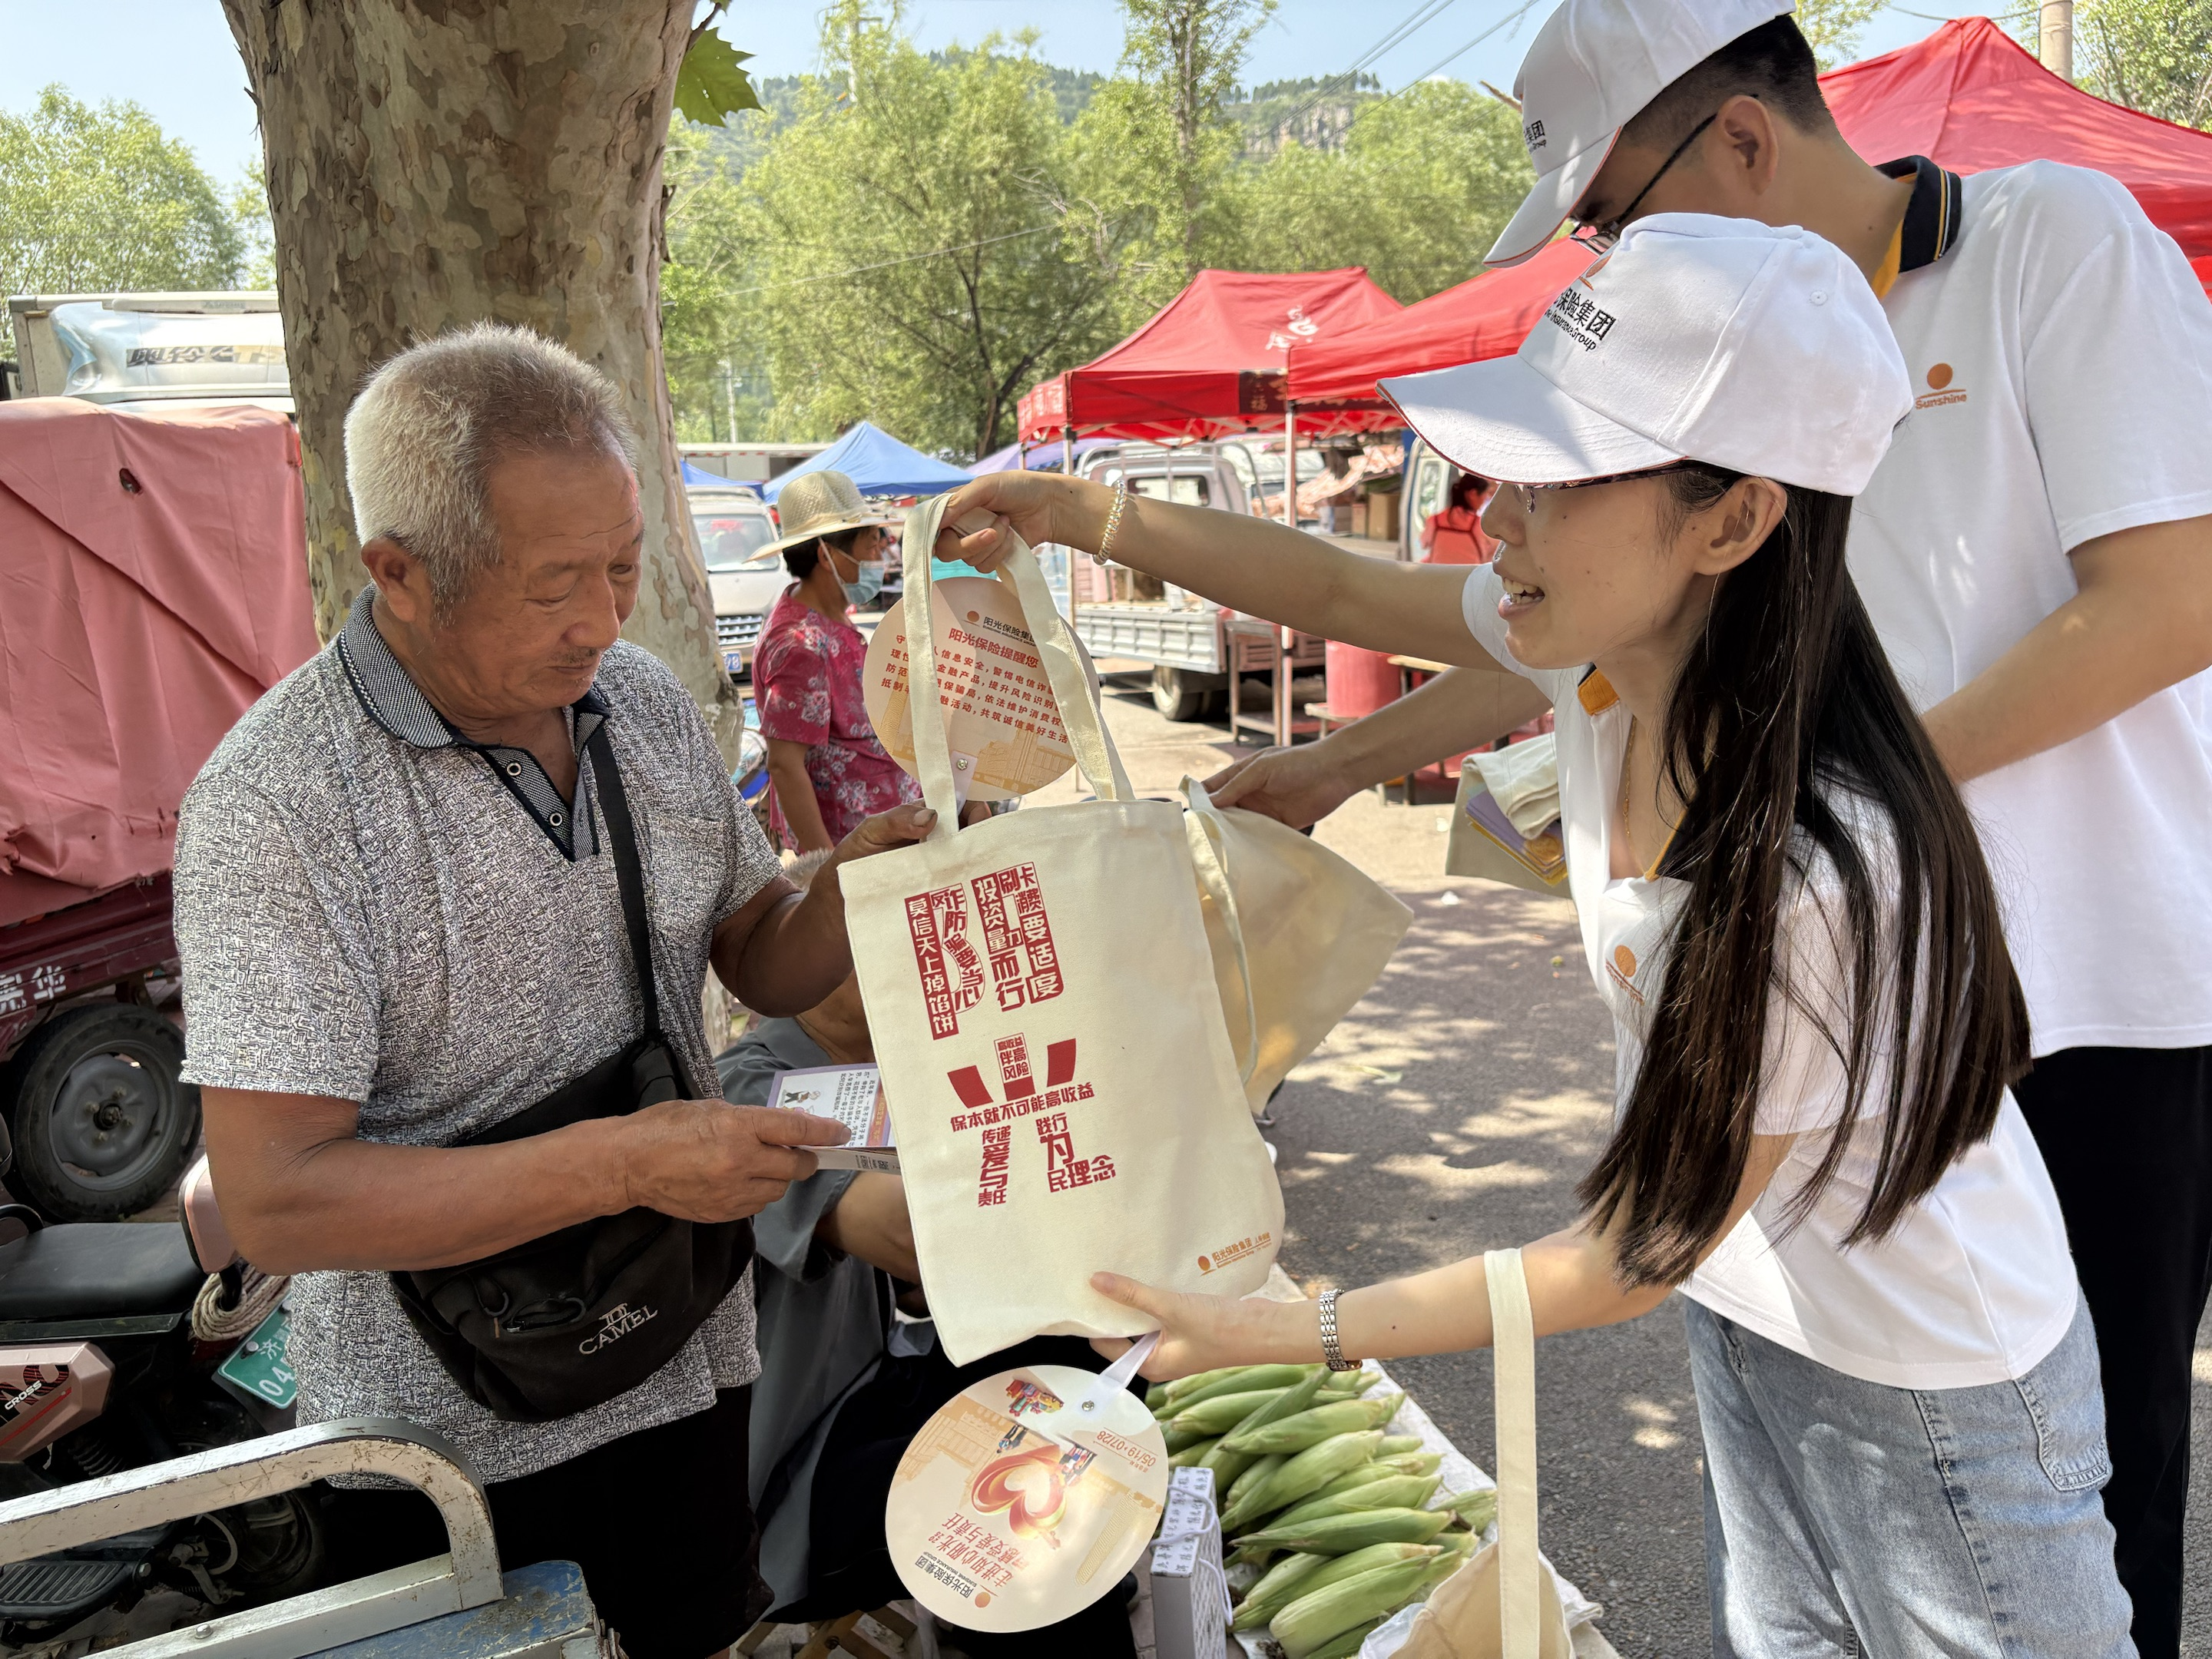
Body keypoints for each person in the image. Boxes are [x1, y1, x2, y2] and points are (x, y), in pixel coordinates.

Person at [938, 216, 2131, 1657]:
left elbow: (1634, 1248)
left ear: (1734, 522)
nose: (1496, 516)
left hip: (1932, 1390)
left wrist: (1298, 1326)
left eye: (1555, 480)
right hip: (1758, 1312)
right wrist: (1084, 515)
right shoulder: (1613, 674)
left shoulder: (1815, 866)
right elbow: (1333, 590)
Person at [1207, 9, 2212, 1644]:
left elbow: (2173, 596)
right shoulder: (1640, 643)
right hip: (1792, 1213)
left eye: (1611, 214)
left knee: (2069, 1543)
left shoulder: (2054, 251)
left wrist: (1784, 839)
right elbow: (1420, 603)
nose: (1498, 520)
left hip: (2080, 1014)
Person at [171, 324, 933, 1659]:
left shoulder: (634, 701)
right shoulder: (278, 803)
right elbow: (278, 1194)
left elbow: (753, 945)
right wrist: (630, 1162)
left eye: (627, 567)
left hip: (684, 1352)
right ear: (398, 573)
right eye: (551, 587)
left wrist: (864, 885)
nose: (602, 618)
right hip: (443, 1434)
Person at [720, 850, 1138, 1657]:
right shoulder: (751, 1087)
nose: (939, 974)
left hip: (873, 1387)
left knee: (1096, 1362)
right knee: (1041, 1512)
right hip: (789, 1491)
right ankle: (1054, 1611)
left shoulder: (885, 1069)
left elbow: (925, 1286)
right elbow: (912, 1233)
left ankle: (1068, 1597)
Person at [751, 469, 921, 854]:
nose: (880, 557)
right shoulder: (801, 645)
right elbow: (785, 765)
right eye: (870, 547)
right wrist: (828, 869)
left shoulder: (830, 620)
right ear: (827, 555)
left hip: (887, 838)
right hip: (854, 850)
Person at [1418, 471, 1497, 564]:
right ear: (1473, 494)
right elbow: (1498, 548)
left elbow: (1424, 544)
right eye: (1485, 494)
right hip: (1468, 576)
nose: (1485, 499)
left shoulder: (1435, 521)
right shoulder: (1480, 525)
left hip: (1439, 576)